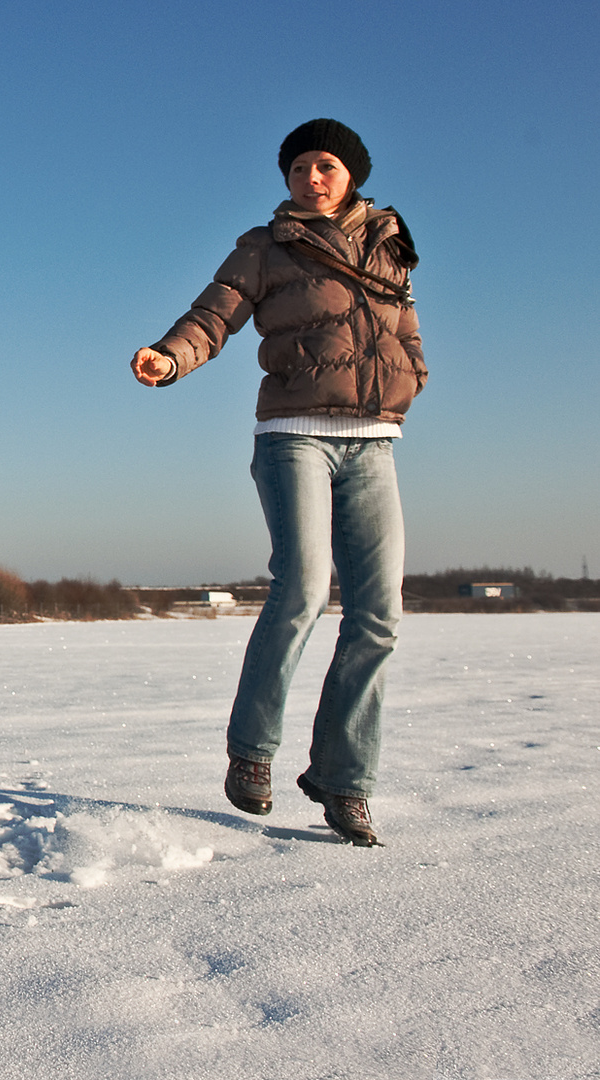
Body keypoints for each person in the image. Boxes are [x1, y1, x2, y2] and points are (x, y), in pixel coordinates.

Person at [131, 119, 425, 847]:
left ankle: (342, 780)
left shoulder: (390, 246)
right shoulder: (266, 247)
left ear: (351, 174)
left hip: (374, 443)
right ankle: (253, 752)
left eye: (325, 166)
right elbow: (216, 312)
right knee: (300, 589)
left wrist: (412, 378)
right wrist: (171, 357)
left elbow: (406, 332)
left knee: (379, 614)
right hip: (294, 434)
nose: (311, 178)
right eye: (299, 169)